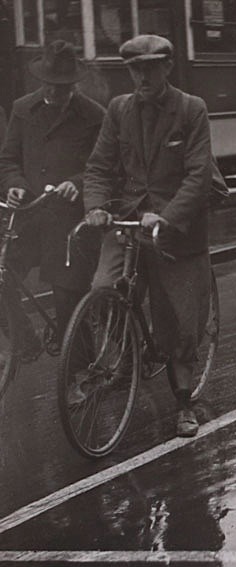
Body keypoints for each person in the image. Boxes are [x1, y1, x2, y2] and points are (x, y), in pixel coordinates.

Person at [83, 34, 213, 438]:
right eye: (136, 69)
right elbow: (99, 166)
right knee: (103, 288)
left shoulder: (191, 109)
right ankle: (127, 353)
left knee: (179, 321)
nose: (143, 76)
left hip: (175, 230)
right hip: (128, 223)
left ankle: (184, 403)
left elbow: (198, 175)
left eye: (151, 68)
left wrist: (167, 217)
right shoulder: (119, 109)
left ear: (167, 68)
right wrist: (96, 206)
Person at [0, 40, 105, 359]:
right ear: (41, 80)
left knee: (68, 300)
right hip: (30, 217)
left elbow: (104, 166)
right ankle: (25, 340)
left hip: (70, 225)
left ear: (74, 84)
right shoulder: (22, 109)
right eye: (50, 85)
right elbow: (8, 160)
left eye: (63, 87)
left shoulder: (93, 115)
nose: (55, 93)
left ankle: (82, 377)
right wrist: (14, 184)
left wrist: (78, 183)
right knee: (2, 277)